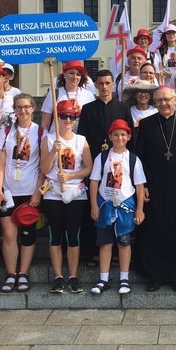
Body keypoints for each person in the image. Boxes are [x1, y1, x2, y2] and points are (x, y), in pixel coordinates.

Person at [134, 85, 176, 292]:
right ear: (154, 102)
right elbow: (139, 158)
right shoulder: (146, 124)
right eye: (159, 100)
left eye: (167, 99)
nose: (163, 103)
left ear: (175, 100)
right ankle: (155, 275)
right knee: (155, 230)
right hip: (154, 186)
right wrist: (142, 185)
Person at [77, 70, 134, 260]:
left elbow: (130, 136)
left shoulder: (123, 108)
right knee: (96, 205)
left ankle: (118, 250)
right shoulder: (88, 108)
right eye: (100, 83)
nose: (104, 87)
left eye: (108, 83)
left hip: (118, 163)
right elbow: (82, 138)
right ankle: (93, 251)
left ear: (112, 85)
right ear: (96, 85)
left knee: (118, 203)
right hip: (95, 163)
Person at [40, 100, 93, 294]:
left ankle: (73, 275)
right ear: (57, 117)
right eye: (64, 116)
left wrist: (70, 175)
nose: (68, 120)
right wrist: (54, 150)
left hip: (75, 193)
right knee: (55, 235)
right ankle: (58, 277)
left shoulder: (81, 140)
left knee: (73, 235)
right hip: (53, 193)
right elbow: (44, 169)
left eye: (72, 116)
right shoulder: (48, 140)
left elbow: (88, 167)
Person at [89, 119, 146, 294]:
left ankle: (124, 279)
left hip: (125, 205)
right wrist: (93, 206)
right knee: (105, 242)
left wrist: (140, 209)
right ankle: (103, 279)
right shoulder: (103, 156)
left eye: (123, 134)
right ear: (110, 136)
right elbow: (93, 181)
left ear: (129, 136)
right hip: (105, 203)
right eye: (116, 134)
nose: (119, 137)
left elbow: (139, 186)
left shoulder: (133, 159)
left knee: (124, 241)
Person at [0, 94, 43, 293]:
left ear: (33, 108)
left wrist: (38, 192)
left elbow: (43, 167)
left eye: (26, 107)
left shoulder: (41, 132)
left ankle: (23, 273)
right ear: (13, 110)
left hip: (29, 190)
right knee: (8, 234)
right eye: (18, 107)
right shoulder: (5, 131)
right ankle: (11, 273)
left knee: (28, 234)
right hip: (8, 190)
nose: (22, 111)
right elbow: (0, 162)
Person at [41, 60, 95, 133]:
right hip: (57, 138)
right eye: (71, 73)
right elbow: (45, 123)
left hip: (79, 140)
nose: (75, 77)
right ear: (64, 73)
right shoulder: (54, 94)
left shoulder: (88, 95)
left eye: (78, 74)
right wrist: (44, 139)